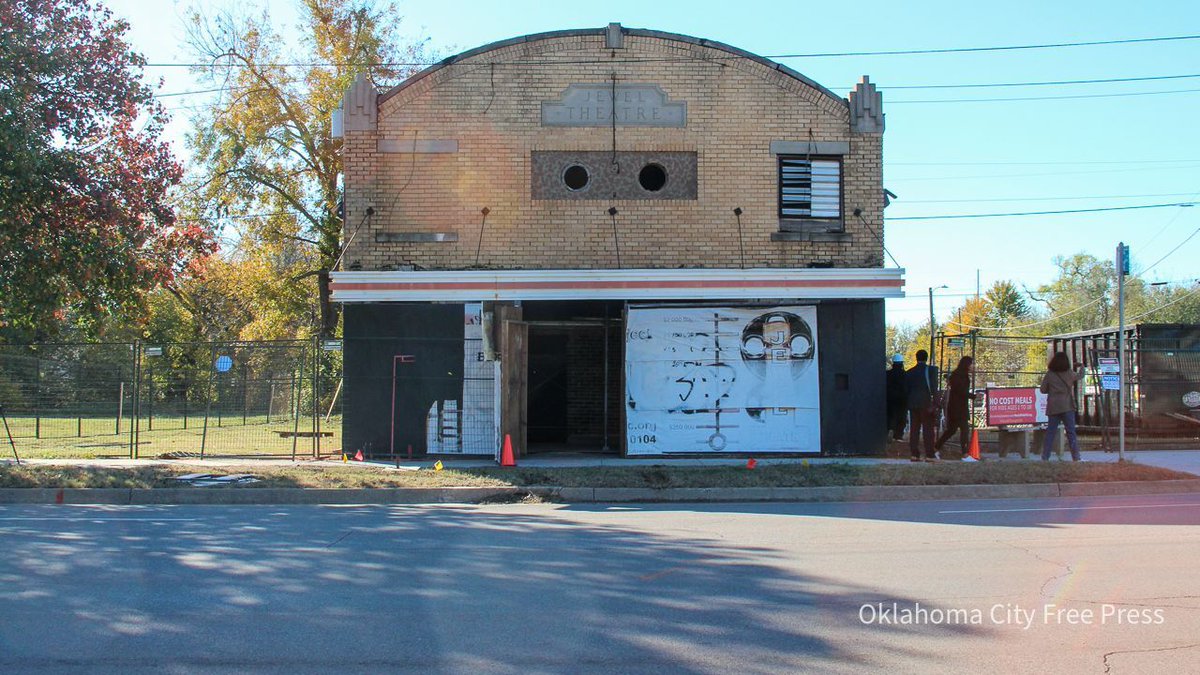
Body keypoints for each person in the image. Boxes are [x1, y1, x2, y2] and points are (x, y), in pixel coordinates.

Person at [1040, 352, 1085, 461]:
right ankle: (1076, 457)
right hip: (1067, 406)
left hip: (1053, 407)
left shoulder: (1049, 374)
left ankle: (1045, 457)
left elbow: (1042, 390)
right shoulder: (1069, 373)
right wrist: (1082, 366)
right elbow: (1080, 376)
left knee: (1050, 432)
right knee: (1071, 432)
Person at [935, 356, 975, 459]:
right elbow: (960, 391)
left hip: (956, 407)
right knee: (964, 429)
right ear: (967, 364)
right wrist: (973, 396)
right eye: (972, 364)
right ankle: (965, 454)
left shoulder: (959, 375)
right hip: (958, 408)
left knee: (951, 430)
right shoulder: (960, 376)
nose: (973, 366)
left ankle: (935, 448)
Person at [904, 349, 939, 461]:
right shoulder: (931, 371)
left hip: (913, 404)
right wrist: (937, 403)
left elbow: (906, 390)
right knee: (928, 430)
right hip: (926, 404)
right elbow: (934, 388)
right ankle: (929, 454)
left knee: (914, 429)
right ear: (926, 358)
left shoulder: (909, 372)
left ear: (916, 358)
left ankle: (914, 454)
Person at [886, 354, 908, 441]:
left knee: (889, 416)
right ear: (902, 363)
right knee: (901, 417)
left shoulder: (887, 374)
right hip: (902, 400)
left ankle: (887, 432)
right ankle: (898, 436)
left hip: (889, 399)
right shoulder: (905, 374)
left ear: (893, 363)